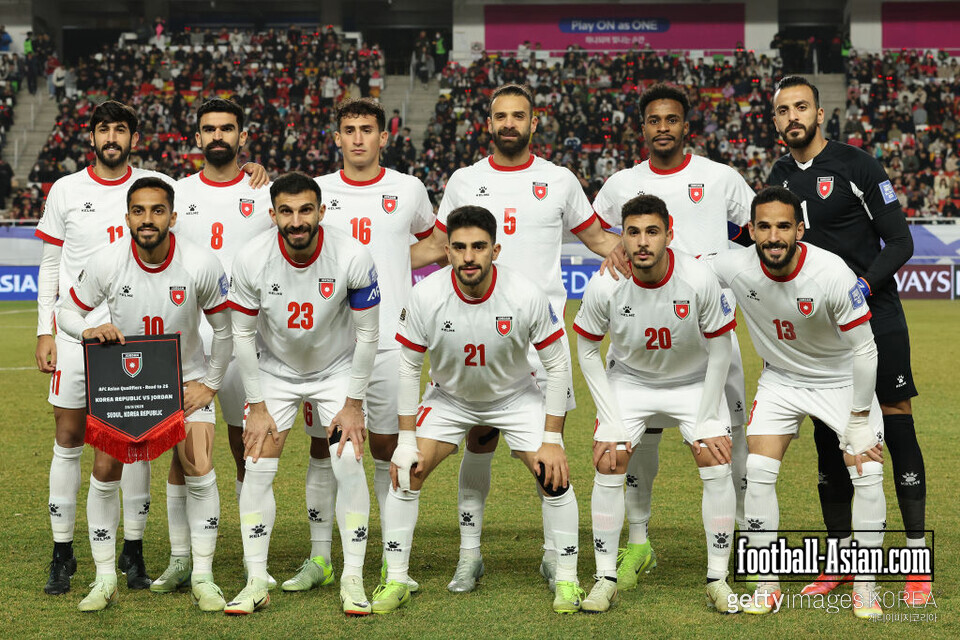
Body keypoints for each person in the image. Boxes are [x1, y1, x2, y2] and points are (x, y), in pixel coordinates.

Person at [414, 83, 626, 593]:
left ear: (535, 122)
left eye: (519, 116)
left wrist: (663, 251)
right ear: (489, 123)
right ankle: (470, 556)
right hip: (477, 336)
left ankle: (555, 557)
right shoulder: (465, 180)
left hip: (539, 343)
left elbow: (599, 240)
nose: (509, 123)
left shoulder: (558, 179)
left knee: (546, 459)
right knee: (477, 440)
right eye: (500, 116)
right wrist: (372, 251)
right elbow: (437, 247)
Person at [766, 76, 927, 604]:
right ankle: (840, 558)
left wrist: (861, 286)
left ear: (819, 112)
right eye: (783, 110)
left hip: (875, 316)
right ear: (774, 121)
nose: (793, 117)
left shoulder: (858, 165)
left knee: (895, 423)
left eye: (802, 107)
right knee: (828, 436)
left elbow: (900, 241)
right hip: (819, 330)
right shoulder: (780, 177)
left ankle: (915, 562)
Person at [374, 206, 581, 614]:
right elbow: (408, 366)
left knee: (553, 474)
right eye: (460, 247)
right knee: (405, 470)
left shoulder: (524, 293)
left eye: (479, 247)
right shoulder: (426, 295)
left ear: (495, 250)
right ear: (446, 251)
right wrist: (406, 438)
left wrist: (553, 439)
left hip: (516, 396)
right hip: (450, 398)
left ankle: (568, 579)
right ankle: (397, 578)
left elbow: (557, 364)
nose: (469, 257)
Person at [593, 83, 755, 589]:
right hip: (641, 338)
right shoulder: (621, 183)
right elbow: (602, 239)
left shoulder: (719, 177)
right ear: (641, 128)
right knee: (638, 446)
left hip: (711, 335)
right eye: (653, 120)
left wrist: (722, 270)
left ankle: (746, 545)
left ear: (686, 126)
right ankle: (638, 544)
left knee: (733, 444)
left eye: (671, 119)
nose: (662, 127)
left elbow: (760, 229)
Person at [708, 186, 885, 619]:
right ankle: (768, 586)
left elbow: (865, 350)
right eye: (763, 227)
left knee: (868, 472)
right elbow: (680, 268)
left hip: (841, 379)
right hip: (782, 380)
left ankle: (866, 586)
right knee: (758, 470)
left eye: (783, 226)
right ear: (749, 230)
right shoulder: (734, 264)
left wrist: (860, 418)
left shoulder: (831, 273)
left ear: (800, 229)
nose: (773, 237)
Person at [57, 177, 233, 611]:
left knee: (199, 463)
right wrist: (89, 328)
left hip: (184, 381)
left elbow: (227, 331)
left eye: (157, 211)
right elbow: (66, 311)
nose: (148, 219)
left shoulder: (200, 263)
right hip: (125, 383)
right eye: (139, 211)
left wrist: (209, 383)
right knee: (104, 466)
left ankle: (204, 576)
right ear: (128, 217)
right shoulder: (108, 261)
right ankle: (102, 580)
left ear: (173, 217)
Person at [35, 101, 177, 596]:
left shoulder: (154, 187)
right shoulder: (66, 190)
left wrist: (251, 173)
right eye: (103, 130)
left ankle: (133, 551)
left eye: (121, 129)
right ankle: (62, 552)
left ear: (133, 139)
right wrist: (45, 329)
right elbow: (50, 264)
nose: (111, 137)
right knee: (69, 437)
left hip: (135, 335)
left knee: (135, 444)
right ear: (91, 137)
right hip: (77, 333)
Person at [224, 172, 380, 616]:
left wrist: (352, 404)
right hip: (274, 371)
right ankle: (256, 579)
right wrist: (254, 405)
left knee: (347, 461)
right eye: (287, 212)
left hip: (336, 371)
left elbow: (368, 335)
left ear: (321, 212)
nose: (297, 221)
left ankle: (351, 577)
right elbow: (241, 335)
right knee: (255, 464)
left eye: (305, 210)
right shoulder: (252, 257)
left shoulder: (351, 254)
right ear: (272, 214)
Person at [575, 195, 739, 613]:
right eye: (633, 233)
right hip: (631, 381)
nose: (642, 242)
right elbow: (587, 350)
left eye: (652, 232)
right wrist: (610, 418)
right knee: (609, 458)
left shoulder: (698, 278)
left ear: (669, 233)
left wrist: (705, 417)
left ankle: (718, 579)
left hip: (692, 382)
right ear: (623, 238)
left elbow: (721, 351)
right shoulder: (605, 285)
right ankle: (605, 579)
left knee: (715, 456)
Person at [298, 98, 434, 594]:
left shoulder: (408, 189)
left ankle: (390, 561)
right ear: (336, 137)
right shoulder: (319, 192)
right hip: (334, 347)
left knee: (391, 448)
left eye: (367, 130)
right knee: (325, 448)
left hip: (393, 342)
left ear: (383, 137)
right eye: (349, 130)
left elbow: (435, 243)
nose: (358, 138)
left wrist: (395, 261)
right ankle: (320, 559)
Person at [155, 98, 273, 593]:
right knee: (180, 447)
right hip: (192, 339)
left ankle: (253, 559)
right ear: (197, 138)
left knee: (247, 445)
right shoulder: (176, 194)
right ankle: (181, 557)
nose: (218, 136)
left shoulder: (264, 191)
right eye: (209, 129)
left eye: (228, 128)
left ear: (243, 136)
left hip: (250, 336)